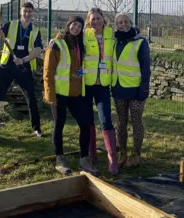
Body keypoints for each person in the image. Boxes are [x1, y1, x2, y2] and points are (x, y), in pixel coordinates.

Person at [43, 16, 99, 176]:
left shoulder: (80, 44)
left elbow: (79, 68)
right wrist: (50, 94)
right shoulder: (57, 44)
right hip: (59, 94)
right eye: (74, 24)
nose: (76, 28)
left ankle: (84, 159)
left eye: (79, 26)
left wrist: (78, 75)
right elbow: (48, 71)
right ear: (68, 25)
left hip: (75, 93)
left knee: (85, 124)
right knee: (59, 125)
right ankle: (60, 158)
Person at [0, 2, 44, 138]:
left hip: (24, 68)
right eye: (25, 11)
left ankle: (36, 128)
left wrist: (24, 60)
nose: (27, 14)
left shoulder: (35, 30)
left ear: (33, 13)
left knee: (31, 98)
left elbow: (38, 50)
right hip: (7, 66)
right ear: (21, 12)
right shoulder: (11, 25)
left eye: (30, 12)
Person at [112, 12, 150, 168]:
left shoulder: (140, 42)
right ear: (116, 25)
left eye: (126, 21)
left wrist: (144, 89)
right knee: (121, 122)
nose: (123, 24)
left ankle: (136, 153)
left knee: (136, 121)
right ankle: (122, 152)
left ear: (131, 22)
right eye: (120, 22)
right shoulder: (114, 42)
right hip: (119, 88)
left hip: (136, 90)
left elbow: (145, 67)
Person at [83, 7, 118, 175]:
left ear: (103, 19)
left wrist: (137, 35)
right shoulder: (84, 35)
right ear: (88, 21)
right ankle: (92, 154)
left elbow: (127, 37)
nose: (95, 21)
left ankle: (112, 158)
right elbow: (68, 40)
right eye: (92, 19)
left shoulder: (112, 33)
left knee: (106, 120)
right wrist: (56, 39)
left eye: (98, 18)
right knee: (88, 120)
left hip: (103, 84)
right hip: (87, 84)